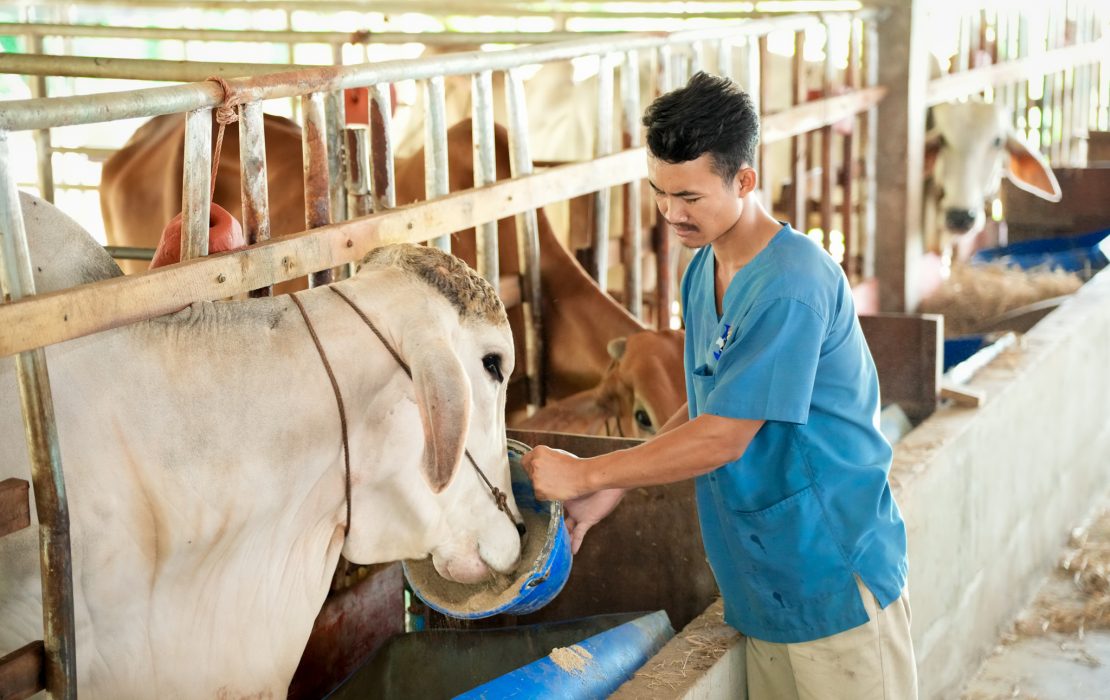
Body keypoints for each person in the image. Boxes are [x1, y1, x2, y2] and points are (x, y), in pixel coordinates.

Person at [522, 71, 917, 699]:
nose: (671, 214)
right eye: (659, 192)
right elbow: (711, 402)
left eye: (690, 197)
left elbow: (725, 436)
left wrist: (587, 473)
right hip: (762, 580)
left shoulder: (791, 285)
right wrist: (613, 486)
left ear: (744, 181)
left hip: (831, 572)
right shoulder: (704, 267)